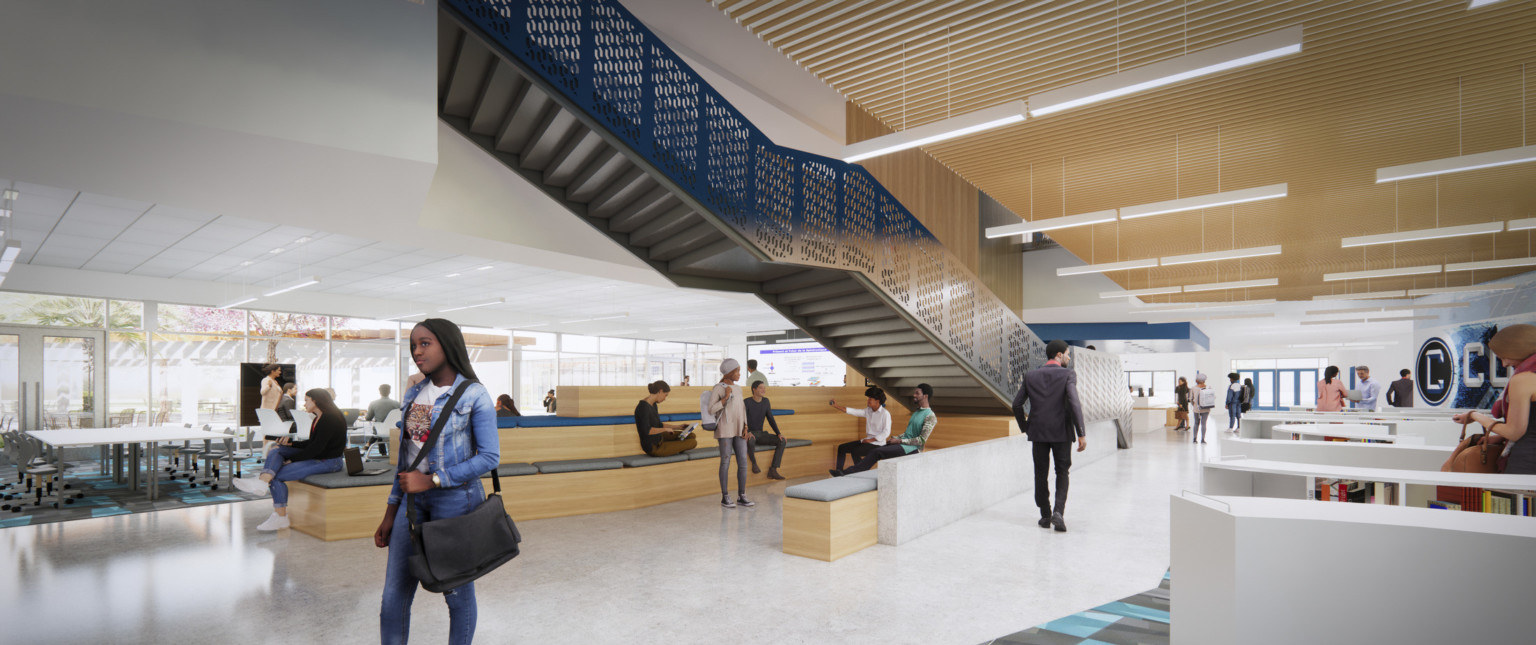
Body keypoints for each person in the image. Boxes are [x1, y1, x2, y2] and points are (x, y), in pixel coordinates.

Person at [373, 319, 500, 645]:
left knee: (456, 593)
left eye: (425, 343)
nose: (417, 351)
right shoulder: (414, 392)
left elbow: (489, 458)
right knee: (393, 597)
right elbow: (406, 460)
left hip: (456, 501)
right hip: (410, 504)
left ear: (447, 344)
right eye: (414, 345)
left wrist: (432, 481)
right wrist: (390, 511)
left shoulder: (475, 394)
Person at [233, 388, 348, 531]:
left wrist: (293, 459)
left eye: (307, 400)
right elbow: (312, 444)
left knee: (277, 476)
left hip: (330, 462)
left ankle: (280, 516)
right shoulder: (318, 417)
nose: (304, 404)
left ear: (316, 400)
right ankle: (263, 481)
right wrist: (291, 443)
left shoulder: (329, 418)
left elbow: (317, 449)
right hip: (319, 455)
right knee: (277, 449)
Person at [1011, 340, 1085, 533]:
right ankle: (1058, 513)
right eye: (1068, 354)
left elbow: (1016, 405)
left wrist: (1026, 427)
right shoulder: (1068, 374)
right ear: (1059, 355)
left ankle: (1045, 515)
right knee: (1062, 472)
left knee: (1040, 473)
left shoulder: (1031, 375)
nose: (1069, 357)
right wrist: (1081, 433)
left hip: (1038, 432)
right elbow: (1074, 403)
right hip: (1062, 432)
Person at [1453, 324, 1536, 475]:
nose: (1505, 364)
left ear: (1518, 349)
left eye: (1504, 357)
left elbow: (1514, 432)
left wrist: (1474, 416)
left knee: (1517, 499)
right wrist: (1500, 437)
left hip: (1527, 463)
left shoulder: (1523, 380)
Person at [833, 384, 936, 476]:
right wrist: (896, 438)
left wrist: (899, 441)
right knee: (874, 451)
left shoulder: (930, 416)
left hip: (912, 449)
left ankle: (846, 473)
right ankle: (860, 473)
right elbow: (908, 434)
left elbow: (921, 440)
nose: (914, 395)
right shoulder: (916, 412)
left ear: (925, 396)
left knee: (876, 451)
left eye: (917, 393)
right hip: (902, 444)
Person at [708, 359, 755, 508]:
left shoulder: (739, 388)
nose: (740, 374)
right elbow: (711, 409)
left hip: (739, 429)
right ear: (729, 372)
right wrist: (725, 397)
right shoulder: (718, 388)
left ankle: (742, 495)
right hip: (725, 429)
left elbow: (742, 409)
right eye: (737, 371)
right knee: (725, 462)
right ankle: (725, 497)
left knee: (743, 462)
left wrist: (746, 426)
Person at [829, 387, 891, 474]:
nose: (868, 400)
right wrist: (837, 406)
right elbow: (855, 411)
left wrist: (871, 440)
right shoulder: (868, 411)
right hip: (867, 441)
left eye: (870, 398)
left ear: (877, 401)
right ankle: (839, 471)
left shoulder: (885, 413)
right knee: (842, 448)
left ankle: (861, 472)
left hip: (878, 443)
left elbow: (886, 432)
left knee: (855, 451)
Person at [635, 381, 696, 458]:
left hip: (659, 438)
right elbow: (647, 431)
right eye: (665, 395)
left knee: (691, 435)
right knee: (693, 442)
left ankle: (675, 447)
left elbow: (658, 424)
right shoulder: (642, 408)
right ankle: (675, 447)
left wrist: (678, 427)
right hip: (654, 447)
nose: (665, 398)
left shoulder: (653, 404)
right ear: (660, 391)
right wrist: (665, 429)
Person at [743, 380, 787, 480]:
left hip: (761, 434)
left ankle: (773, 469)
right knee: (750, 440)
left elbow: (770, 418)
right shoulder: (746, 402)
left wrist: (779, 433)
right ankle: (754, 464)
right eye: (761, 388)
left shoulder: (766, 401)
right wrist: (747, 432)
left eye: (764, 388)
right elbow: (742, 420)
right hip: (750, 433)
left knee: (782, 440)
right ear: (754, 389)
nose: (764, 390)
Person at [1192, 373, 1214, 443]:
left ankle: (1195, 439)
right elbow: (1213, 397)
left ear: (1197, 380)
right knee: (1204, 423)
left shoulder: (1193, 388)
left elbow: (1190, 399)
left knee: (1196, 423)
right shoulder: (1209, 387)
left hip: (1196, 409)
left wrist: (1195, 405)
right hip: (1206, 408)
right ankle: (1203, 439)